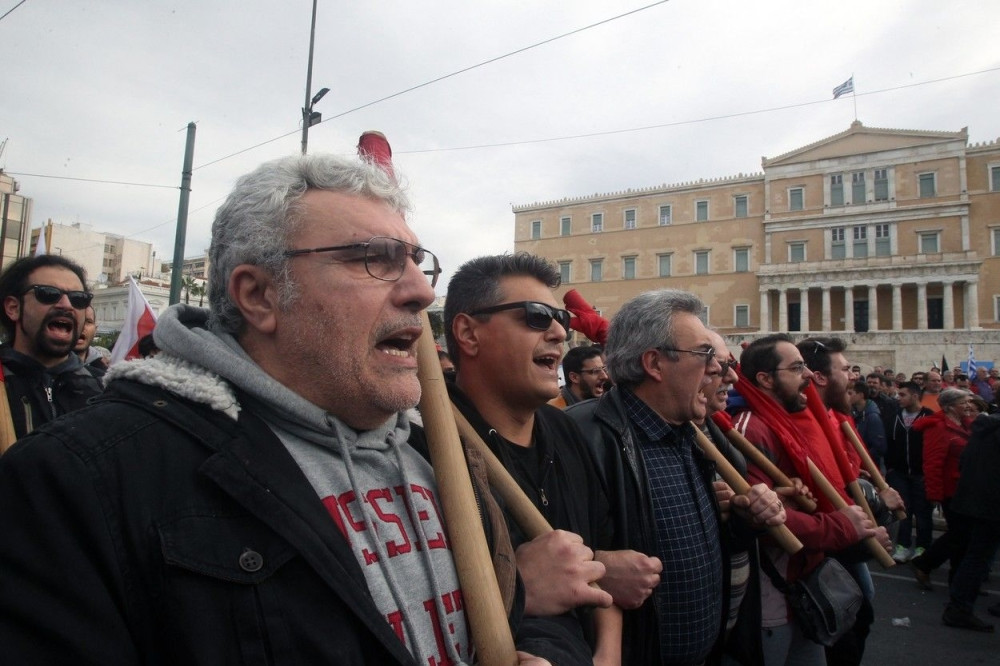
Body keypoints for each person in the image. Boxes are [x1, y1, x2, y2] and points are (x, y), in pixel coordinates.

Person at [0, 153, 573, 665]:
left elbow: (522, 616)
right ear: (258, 295)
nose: (421, 292)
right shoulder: (81, 479)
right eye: (374, 258)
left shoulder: (443, 452)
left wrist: (542, 653)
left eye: (417, 262)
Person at [437, 252, 640, 664]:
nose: (559, 333)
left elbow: (603, 556)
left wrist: (607, 652)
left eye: (560, 319)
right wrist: (519, 589)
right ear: (468, 333)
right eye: (534, 316)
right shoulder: (431, 447)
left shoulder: (563, 427)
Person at [567, 289, 786, 666]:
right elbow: (551, 553)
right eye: (704, 354)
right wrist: (599, 569)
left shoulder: (697, 435)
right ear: (654, 363)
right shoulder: (579, 436)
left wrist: (744, 522)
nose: (718, 368)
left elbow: (704, 543)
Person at [732, 334, 890, 666]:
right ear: (766, 379)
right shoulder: (752, 428)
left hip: (805, 582)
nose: (808, 376)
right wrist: (841, 526)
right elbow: (760, 518)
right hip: (772, 594)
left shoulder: (791, 423)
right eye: (797, 367)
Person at [0, 254, 103, 440]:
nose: (66, 305)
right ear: (13, 308)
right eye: (48, 294)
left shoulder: (106, 392)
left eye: (78, 299)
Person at [911, 388, 975, 591]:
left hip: (965, 489)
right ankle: (925, 563)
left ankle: (958, 579)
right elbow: (932, 463)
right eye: (963, 402)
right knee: (959, 534)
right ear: (949, 406)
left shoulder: (966, 425)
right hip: (949, 490)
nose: (968, 406)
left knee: (963, 536)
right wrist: (934, 494)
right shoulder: (938, 427)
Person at [943, 411, 1000, 632]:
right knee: (978, 558)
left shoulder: (985, 427)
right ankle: (959, 608)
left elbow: (964, 461)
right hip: (991, 505)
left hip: (974, 501)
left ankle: (959, 606)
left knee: (975, 555)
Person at [885, 381, 935, 563]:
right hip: (899, 473)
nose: (899, 398)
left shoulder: (929, 417)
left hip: (921, 474)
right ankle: (903, 546)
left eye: (903, 395)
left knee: (922, 513)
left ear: (915, 396)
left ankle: (922, 547)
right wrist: (890, 467)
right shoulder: (895, 416)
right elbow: (889, 442)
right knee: (903, 511)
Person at [847, 380, 886, 467]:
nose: (847, 396)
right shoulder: (853, 412)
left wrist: (863, 460)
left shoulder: (873, 417)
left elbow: (878, 447)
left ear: (861, 395)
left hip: (869, 465)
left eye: (850, 393)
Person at [73, 305, 107, 377]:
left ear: (95, 330)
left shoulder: (104, 374)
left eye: (88, 321)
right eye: (75, 320)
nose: (81, 327)